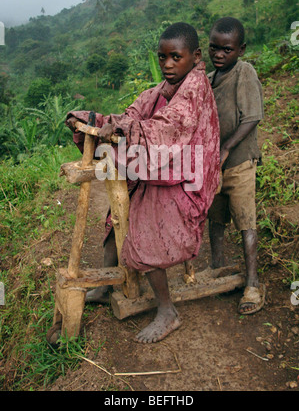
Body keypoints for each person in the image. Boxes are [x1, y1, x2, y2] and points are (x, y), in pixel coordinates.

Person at [66, 22, 220, 343]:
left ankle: (167, 311)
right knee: (117, 212)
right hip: (168, 170)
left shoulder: (194, 89)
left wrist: (123, 130)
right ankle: (107, 286)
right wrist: (93, 121)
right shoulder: (165, 89)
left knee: (145, 221)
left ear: (195, 56)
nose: (167, 64)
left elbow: (165, 128)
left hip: (190, 181)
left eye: (175, 57)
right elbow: (136, 112)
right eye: (162, 57)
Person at [207, 16, 265, 315]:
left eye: (226, 50)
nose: (219, 54)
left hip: (240, 162)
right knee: (216, 219)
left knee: (246, 221)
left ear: (240, 49)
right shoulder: (208, 80)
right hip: (215, 166)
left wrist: (226, 148)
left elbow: (252, 116)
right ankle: (217, 270)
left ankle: (253, 283)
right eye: (213, 48)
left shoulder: (244, 72)